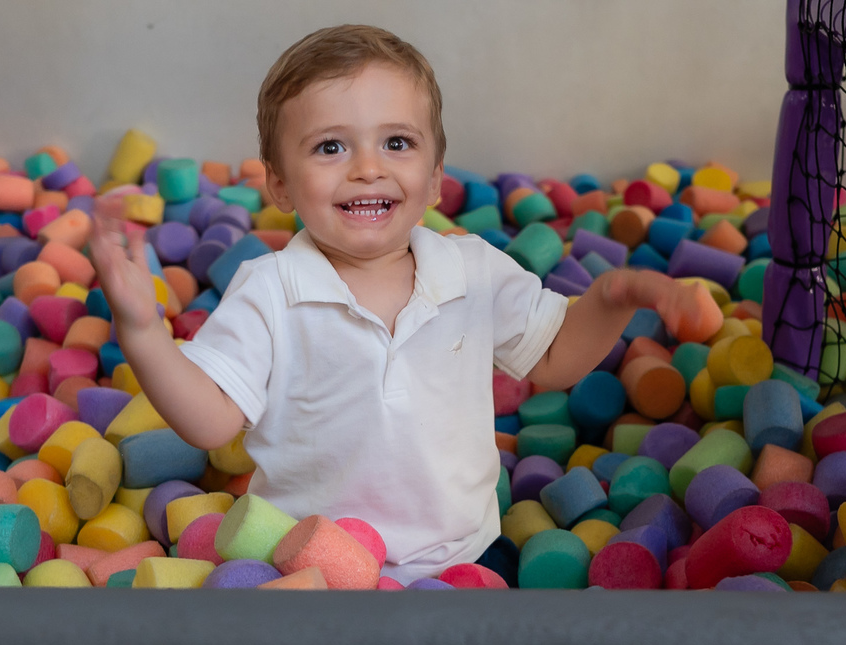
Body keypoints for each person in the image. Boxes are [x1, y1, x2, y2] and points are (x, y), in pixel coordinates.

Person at [90, 24, 720, 583]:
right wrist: (143, 331)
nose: (367, 168)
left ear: (436, 175)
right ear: (279, 183)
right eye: (331, 147)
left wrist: (612, 296)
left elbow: (554, 358)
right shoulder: (270, 289)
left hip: (461, 559)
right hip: (312, 568)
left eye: (396, 143)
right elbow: (210, 423)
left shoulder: (471, 271)